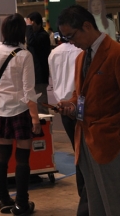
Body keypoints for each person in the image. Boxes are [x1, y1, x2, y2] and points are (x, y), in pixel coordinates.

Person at [57, 5, 120, 216]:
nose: (70, 42)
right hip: (85, 141)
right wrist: (71, 104)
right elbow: (81, 93)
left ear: (87, 26)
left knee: (119, 206)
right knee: (96, 205)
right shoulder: (81, 57)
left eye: (71, 36)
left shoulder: (119, 55)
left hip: (110, 143)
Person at [0, 14, 41, 216]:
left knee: (2, 155)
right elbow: (28, 90)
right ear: (22, 31)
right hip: (21, 110)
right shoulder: (25, 55)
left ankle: (3, 200)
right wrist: (35, 118)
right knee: (22, 158)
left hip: (0, 108)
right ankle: (21, 205)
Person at [48, 39, 88, 216]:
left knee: (78, 150)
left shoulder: (54, 53)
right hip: (79, 104)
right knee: (85, 152)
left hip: (63, 105)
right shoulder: (82, 52)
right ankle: (87, 194)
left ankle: (84, 194)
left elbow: (54, 78)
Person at [25, 12, 51, 114]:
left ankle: (45, 120)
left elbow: (32, 42)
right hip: (33, 72)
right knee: (33, 100)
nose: (30, 28)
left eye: (32, 24)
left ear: (38, 23)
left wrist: (28, 27)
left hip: (40, 73)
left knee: (41, 100)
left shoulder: (43, 35)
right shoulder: (35, 35)